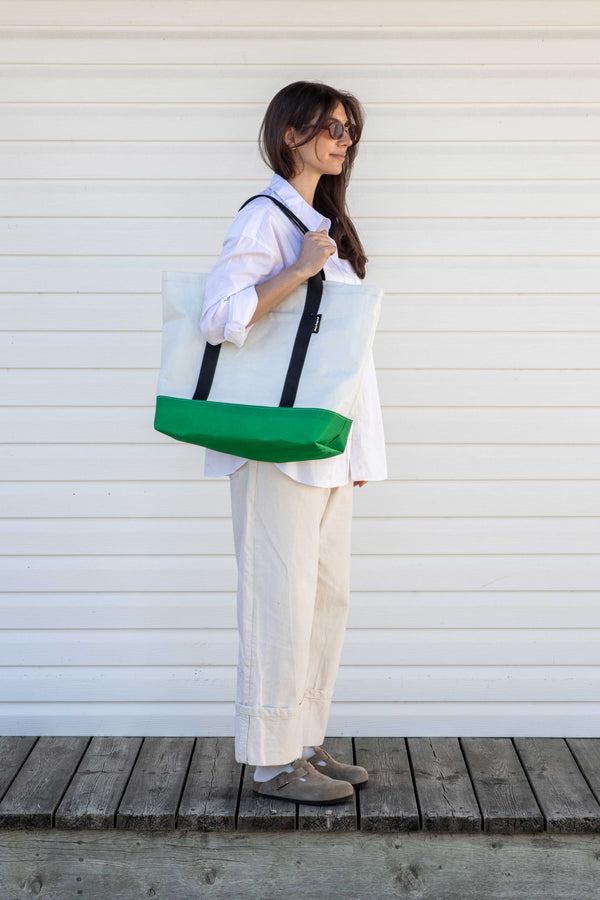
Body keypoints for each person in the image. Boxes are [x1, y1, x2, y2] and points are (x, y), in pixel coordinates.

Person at [200, 81, 387, 805]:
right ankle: (273, 762)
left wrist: (357, 450)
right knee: (278, 599)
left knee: (324, 599)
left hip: (322, 449)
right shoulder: (264, 218)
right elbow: (221, 317)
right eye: (330, 127)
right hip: (276, 449)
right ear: (290, 135)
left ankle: (303, 741)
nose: (343, 139)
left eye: (349, 129)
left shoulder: (322, 223)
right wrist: (298, 269)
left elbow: (341, 357)